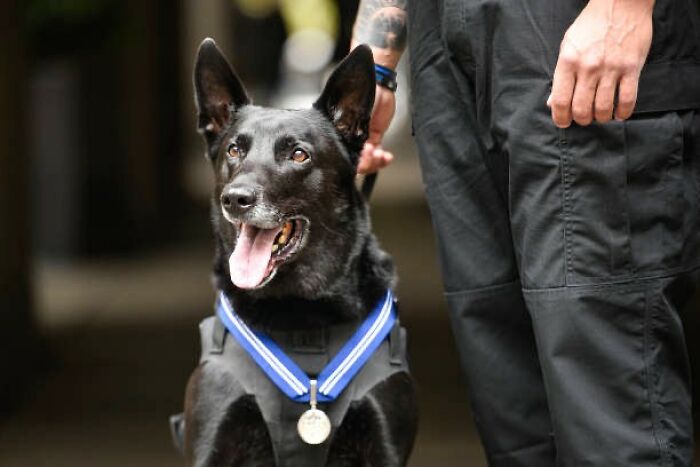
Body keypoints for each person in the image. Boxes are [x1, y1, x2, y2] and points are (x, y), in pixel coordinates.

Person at [350, 0, 700, 465]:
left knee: (612, 403)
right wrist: (373, 60)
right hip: (445, 44)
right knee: (513, 412)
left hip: (574, 24)